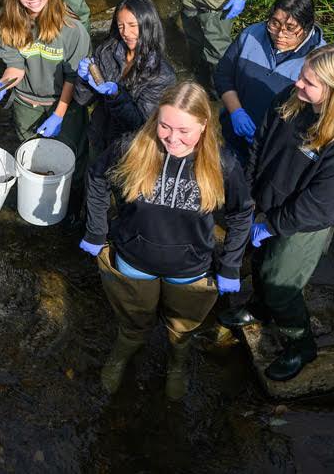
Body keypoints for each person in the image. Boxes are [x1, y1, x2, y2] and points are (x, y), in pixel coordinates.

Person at [80, 81, 253, 400]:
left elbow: (242, 214)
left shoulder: (222, 163)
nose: (173, 138)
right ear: (155, 119)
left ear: (204, 124)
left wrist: (229, 265)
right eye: (164, 126)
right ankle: (122, 354)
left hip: (189, 268)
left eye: (184, 130)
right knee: (133, 320)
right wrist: (96, 230)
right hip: (133, 261)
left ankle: (177, 363)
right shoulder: (133, 146)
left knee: (182, 328)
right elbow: (96, 177)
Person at [218, 43, 334, 382]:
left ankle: (301, 345)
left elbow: (320, 205)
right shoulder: (293, 98)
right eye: (302, 75)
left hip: (304, 222)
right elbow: (261, 141)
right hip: (265, 200)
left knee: (281, 284)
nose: (298, 84)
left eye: (309, 82)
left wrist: (272, 225)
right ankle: (259, 309)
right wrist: (249, 189)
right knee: (259, 263)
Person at [213, 0, 325, 165]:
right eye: (275, 23)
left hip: (274, 151)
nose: (280, 34)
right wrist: (236, 111)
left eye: (290, 28)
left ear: (307, 27)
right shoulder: (251, 34)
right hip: (234, 133)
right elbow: (223, 74)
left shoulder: (321, 59)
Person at [0, 0, 90, 154]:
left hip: (63, 102)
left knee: (71, 156)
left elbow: (73, 77)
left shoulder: (72, 29)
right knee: (29, 154)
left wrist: (59, 115)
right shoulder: (7, 24)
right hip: (26, 102)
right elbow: (16, 68)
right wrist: (2, 84)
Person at [74, 0, 176, 160]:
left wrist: (116, 96)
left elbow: (141, 124)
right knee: (93, 181)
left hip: (130, 151)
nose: (126, 33)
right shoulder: (107, 51)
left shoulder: (161, 74)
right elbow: (83, 100)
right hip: (98, 138)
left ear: (148, 25)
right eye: (121, 25)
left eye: (132, 25)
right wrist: (83, 81)